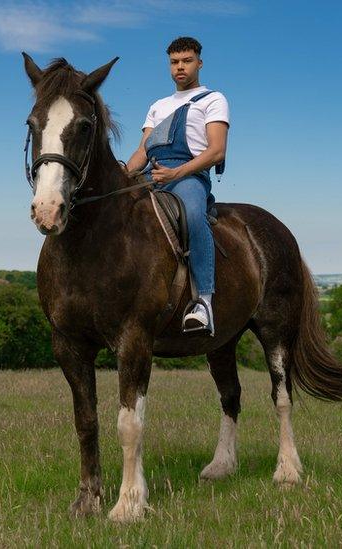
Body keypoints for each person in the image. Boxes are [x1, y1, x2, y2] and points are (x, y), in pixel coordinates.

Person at [124, 36, 229, 336]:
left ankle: (203, 303)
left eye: (186, 61)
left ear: (199, 62)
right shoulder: (157, 106)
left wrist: (177, 173)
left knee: (193, 216)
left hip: (189, 176)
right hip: (152, 175)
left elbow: (217, 150)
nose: (180, 67)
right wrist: (124, 173)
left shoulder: (213, 100)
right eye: (174, 62)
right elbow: (142, 151)